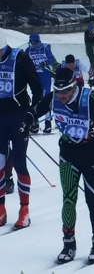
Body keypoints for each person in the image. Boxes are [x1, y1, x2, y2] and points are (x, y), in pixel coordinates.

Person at [30, 67, 94, 264]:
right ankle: (69, 243)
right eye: (58, 91)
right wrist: (27, 119)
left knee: (92, 198)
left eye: (65, 91)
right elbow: (36, 110)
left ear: (73, 87)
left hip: (91, 153)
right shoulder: (53, 98)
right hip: (68, 153)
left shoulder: (89, 98)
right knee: (68, 198)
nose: (61, 96)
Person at [0, 34, 42, 229]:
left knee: (18, 162)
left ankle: (24, 210)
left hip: (18, 116)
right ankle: (1, 209)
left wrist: (32, 114)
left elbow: (37, 88)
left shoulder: (20, 58)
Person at [25, 32, 57, 133]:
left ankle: (48, 122)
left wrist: (47, 63)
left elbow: (53, 60)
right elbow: (24, 62)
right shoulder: (28, 50)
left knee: (45, 98)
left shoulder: (45, 48)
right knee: (36, 99)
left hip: (45, 76)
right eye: (32, 42)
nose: (34, 44)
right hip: (35, 77)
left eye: (35, 42)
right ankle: (35, 123)